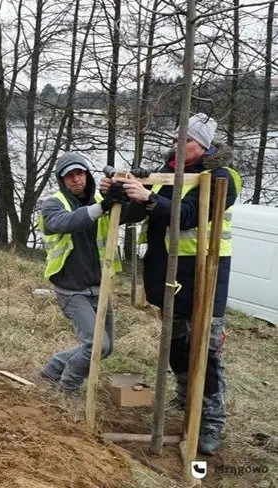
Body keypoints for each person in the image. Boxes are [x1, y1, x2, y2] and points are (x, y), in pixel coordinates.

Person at [101, 113, 240, 455]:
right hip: (169, 276)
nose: (178, 145)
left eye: (186, 141)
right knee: (177, 342)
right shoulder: (167, 173)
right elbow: (138, 215)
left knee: (205, 350)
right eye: (176, 139)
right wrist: (120, 194)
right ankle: (183, 396)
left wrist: (148, 197)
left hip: (206, 275)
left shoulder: (221, 176)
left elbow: (190, 215)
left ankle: (210, 419)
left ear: (204, 145)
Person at [38, 152, 128, 393]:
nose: (76, 179)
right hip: (71, 289)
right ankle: (67, 389)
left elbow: (130, 214)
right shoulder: (52, 204)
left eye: (80, 173)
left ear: (87, 175)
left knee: (106, 348)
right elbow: (64, 222)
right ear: (62, 180)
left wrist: (130, 192)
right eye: (69, 176)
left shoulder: (103, 199)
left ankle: (54, 367)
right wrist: (101, 207)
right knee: (94, 345)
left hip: (100, 287)